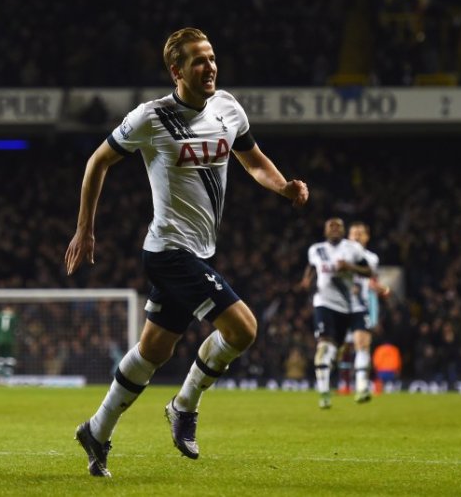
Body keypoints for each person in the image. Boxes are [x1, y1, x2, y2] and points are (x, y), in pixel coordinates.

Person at [65, 27, 309, 477]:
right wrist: (85, 229)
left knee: (152, 352)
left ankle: (96, 430)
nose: (210, 66)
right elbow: (97, 160)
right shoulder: (151, 117)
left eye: (212, 57)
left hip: (198, 252)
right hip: (168, 251)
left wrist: (283, 186)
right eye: (198, 60)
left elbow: (252, 159)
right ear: (177, 71)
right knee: (243, 330)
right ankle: (184, 405)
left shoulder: (227, 108)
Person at [298, 217, 373, 409]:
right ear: (325, 231)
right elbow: (312, 267)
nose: (334, 228)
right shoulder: (316, 250)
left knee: (362, 343)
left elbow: (368, 271)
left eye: (338, 226)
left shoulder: (353, 249)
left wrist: (350, 267)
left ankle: (362, 388)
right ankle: (324, 393)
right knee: (326, 347)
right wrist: (306, 280)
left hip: (352, 305)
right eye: (330, 226)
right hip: (325, 304)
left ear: (343, 230)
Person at [347, 221, 390, 402]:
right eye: (354, 233)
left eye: (360, 233)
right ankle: (328, 385)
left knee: (362, 344)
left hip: (361, 308)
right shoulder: (340, 255)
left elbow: (370, 283)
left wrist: (380, 289)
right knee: (338, 349)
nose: (356, 236)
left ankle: (361, 386)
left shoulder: (372, 258)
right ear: (348, 236)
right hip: (339, 308)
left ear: (366, 237)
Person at [0, 305, 19, 384]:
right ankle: (7, 377)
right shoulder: (14, 317)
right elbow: (17, 330)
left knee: (0, 357)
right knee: (9, 358)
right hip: (9, 340)